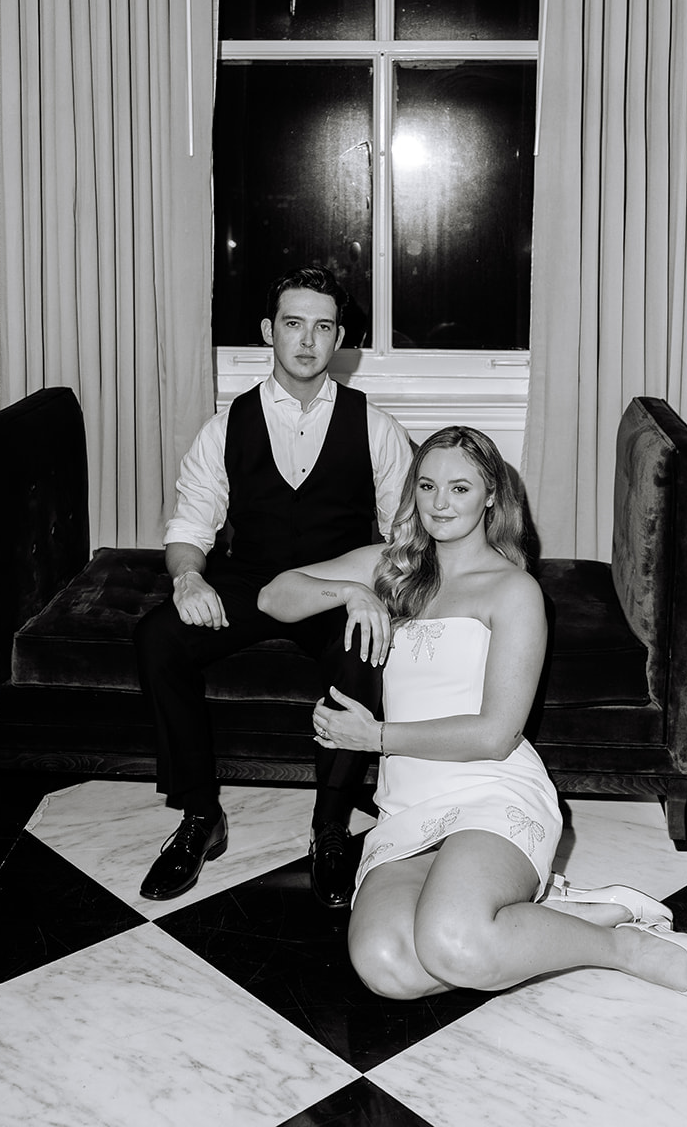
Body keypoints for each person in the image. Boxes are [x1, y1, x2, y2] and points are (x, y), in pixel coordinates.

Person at [257, 426, 687, 1006]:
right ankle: (541, 913)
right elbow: (274, 594)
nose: (439, 503)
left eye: (460, 488)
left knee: (453, 944)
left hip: (491, 790)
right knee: (388, 967)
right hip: (408, 806)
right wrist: (353, 594)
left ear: (490, 497)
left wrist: (375, 736)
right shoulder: (391, 568)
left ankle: (623, 947)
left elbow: (495, 733)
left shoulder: (514, 591)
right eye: (427, 485)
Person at [134, 266, 413, 908]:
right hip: (250, 579)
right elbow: (189, 524)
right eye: (294, 324)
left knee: (363, 647)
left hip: (337, 583)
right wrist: (187, 578)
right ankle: (201, 817)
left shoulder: (375, 427)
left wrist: (369, 588)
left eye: (323, 327)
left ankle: (331, 828)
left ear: (340, 338)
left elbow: (406, 539)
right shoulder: (225, 426)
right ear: (269, 332)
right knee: (158, 637)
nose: (308, 341)